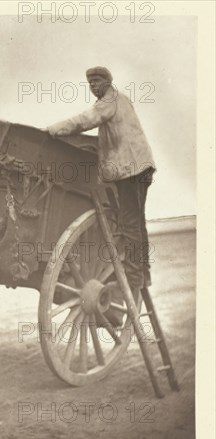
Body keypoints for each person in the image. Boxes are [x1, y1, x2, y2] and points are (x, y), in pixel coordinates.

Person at [44, 66, 156, 325]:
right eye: (90, 82)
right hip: (136, 166)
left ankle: (134, 276)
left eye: (97, 81)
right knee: (136, 221)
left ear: (108, 81)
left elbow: (84, 121)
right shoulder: (117, 101)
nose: (94, 86)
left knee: (130, 222)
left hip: (132, 168)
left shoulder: (110, 101)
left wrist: (51, 130)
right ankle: (143, 273)